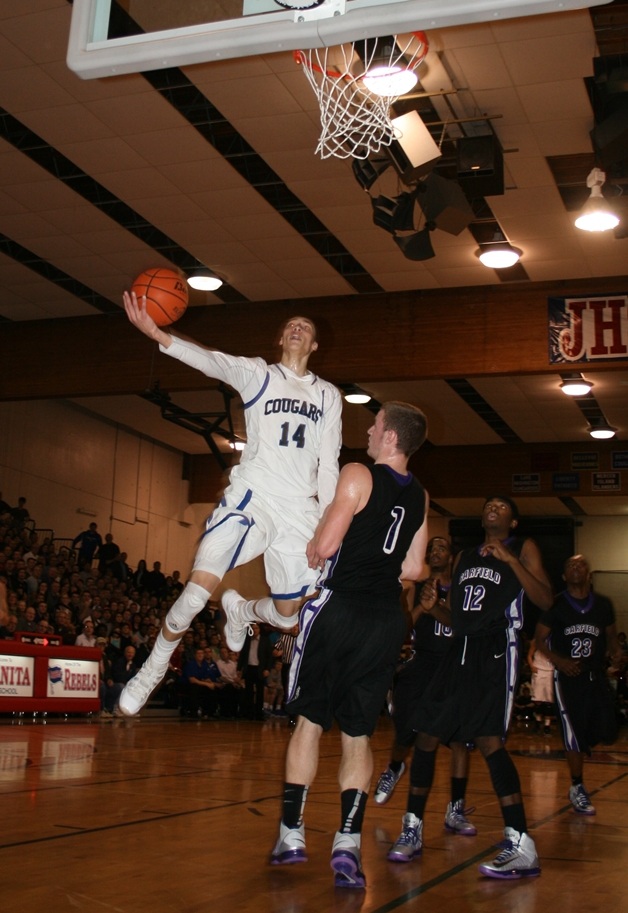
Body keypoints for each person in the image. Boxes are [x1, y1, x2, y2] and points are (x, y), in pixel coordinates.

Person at [119, 294, 341, 717]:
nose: (297, 328)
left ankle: (240, 610)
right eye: (291, 324)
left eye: (306, 327)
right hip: (252, 497)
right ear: (281, 337)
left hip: (301, 510)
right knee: (196, 592)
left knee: (288, 615)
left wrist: (327, 524)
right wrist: (158, 335)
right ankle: (154, 666)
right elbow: (210, 360)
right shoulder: (259, 374)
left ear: (314, 346)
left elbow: (328, 464)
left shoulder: (328, 396)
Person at [270, 401, 429, 890]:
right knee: (359, 732)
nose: (368, 427)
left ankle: (292, 834)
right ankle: (348, 844)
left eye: (375, 423)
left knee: (311, 721)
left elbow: (327, 546)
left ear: (389, 438)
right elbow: (415, 570)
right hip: (385, 620)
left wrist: (313, 540)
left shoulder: (358, 473)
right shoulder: (422, 496)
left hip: (340, 609)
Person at [397, 496, 552, 880]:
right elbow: (461, 621)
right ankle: (413, 827)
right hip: (459, 649)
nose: (493, 507)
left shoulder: (522, 547)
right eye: (489, 504)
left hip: (497, 650)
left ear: (513, 522)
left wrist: (512, 560)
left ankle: (520, 843)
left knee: (488, 742)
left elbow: (546, 600)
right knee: (427, 735)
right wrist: (435, 610)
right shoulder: (464, 557)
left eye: (502, 505)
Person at [375, 536, 477, 847]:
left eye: (441, 548)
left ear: (452, 557)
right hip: (421, 665)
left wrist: (441, 607)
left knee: (459, 741)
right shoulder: (415, 586)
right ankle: (394, 767)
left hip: (453, 668)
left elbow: (467, 625)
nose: (435, 552)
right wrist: (423, 605)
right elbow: (406, 626)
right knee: (405, 734)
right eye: (431, 549)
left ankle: (455, 810)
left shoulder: (463, 588)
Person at [534, 554, 620, 816]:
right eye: (569, 564)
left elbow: (611, 637)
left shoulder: (603, 605)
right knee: (572, 734)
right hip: (568, 678)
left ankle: (585, 749)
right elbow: (539, 640)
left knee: (605, 731)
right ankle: (577, 786)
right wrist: (559, 661)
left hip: (595, 676)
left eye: (580, 564)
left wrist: (615, 652)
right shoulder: (556, 604)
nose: (575, 567)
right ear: (563, 576)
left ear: (589, 573)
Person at [526, 639, 555, 734]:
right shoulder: (536, 641)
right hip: (539, 670)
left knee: (549, 701)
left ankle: (547, 725)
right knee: (537, 699)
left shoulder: (555, 641)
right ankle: (538, 721)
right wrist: (531, 666)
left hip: (550, 671)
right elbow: (529, 655)